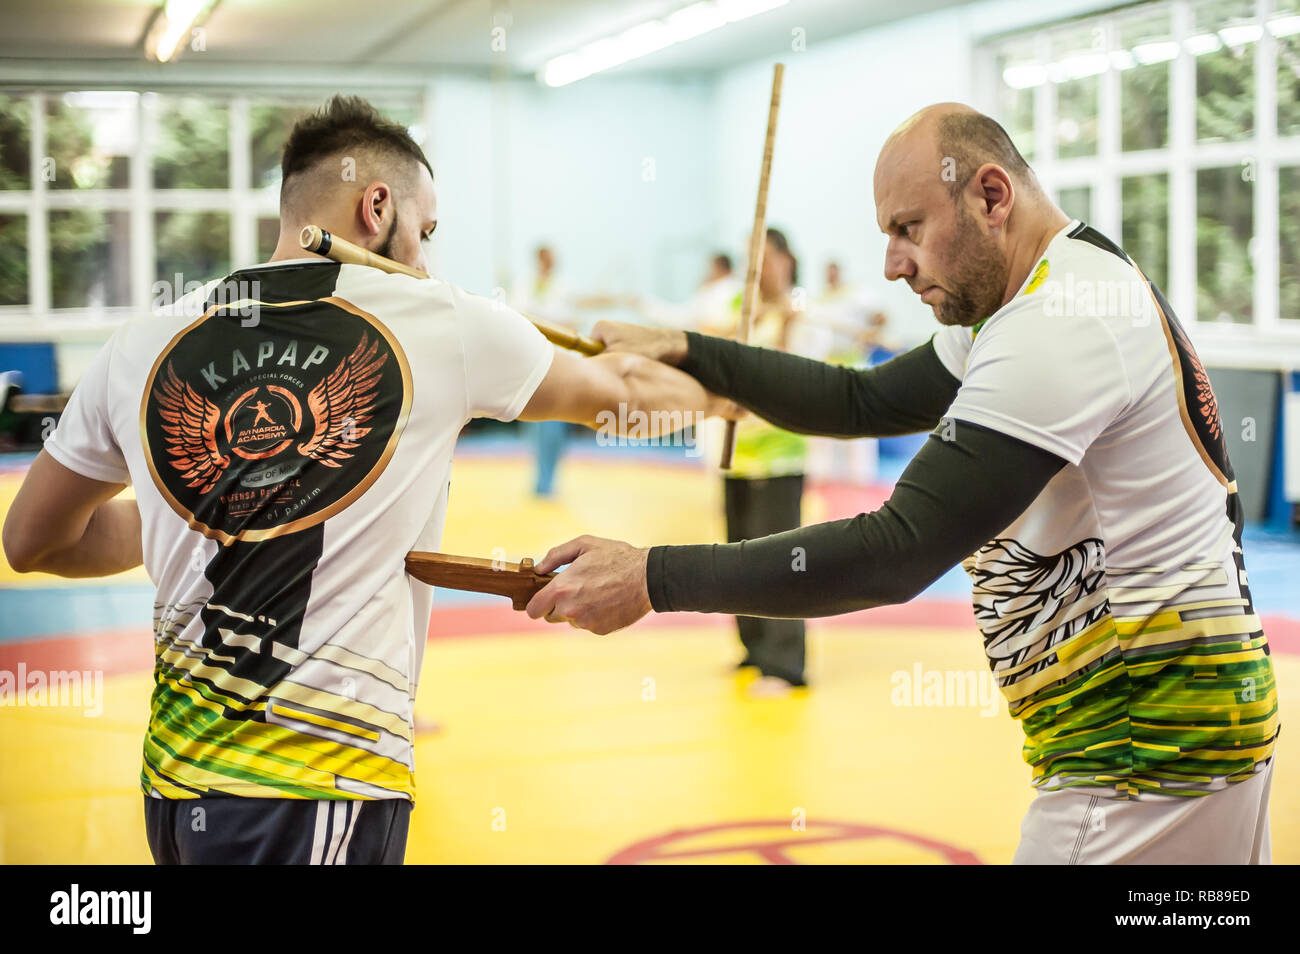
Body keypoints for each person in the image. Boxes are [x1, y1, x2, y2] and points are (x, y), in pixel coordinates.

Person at [523, 103, 1279, 864]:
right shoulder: (1032, 298)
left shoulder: (1063, 318)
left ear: (991, 196)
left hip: (1145, 754)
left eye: (908, 229)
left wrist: (651, 577)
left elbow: (898, 550)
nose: (892, 264)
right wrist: (691, 350)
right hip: (1175, 735)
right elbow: (862, 399)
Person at [1, 95, 727, 865]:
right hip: (322, 783)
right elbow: (632, 400)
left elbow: (32, 538)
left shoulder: (142, 342)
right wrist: (729, 378)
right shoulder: (440, 320)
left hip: (175, 792)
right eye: (427, 231)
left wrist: (207, 510)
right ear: (376, 206)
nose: (426, 260)